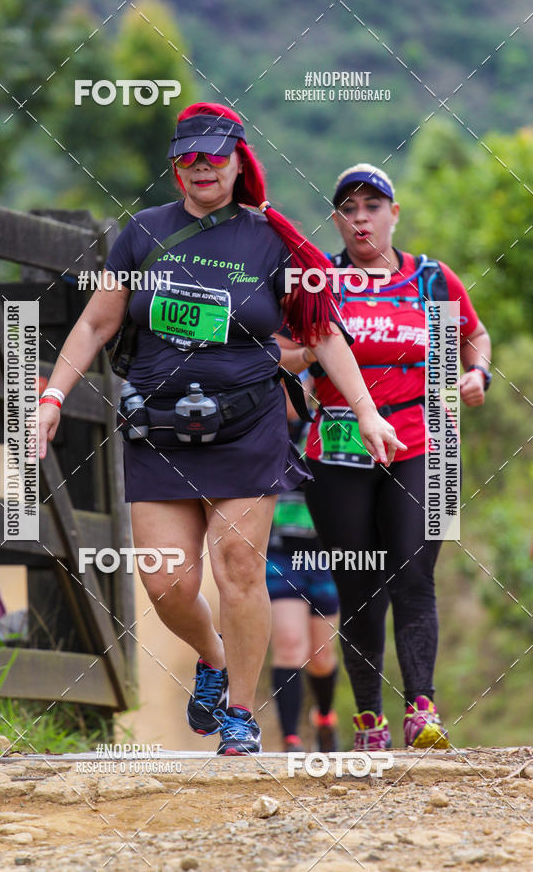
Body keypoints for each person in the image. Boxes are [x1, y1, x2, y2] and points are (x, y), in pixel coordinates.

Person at [38, 114, 402, 756]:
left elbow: (321, 334)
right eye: (189, 159)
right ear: (176, 166)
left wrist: (369, 413)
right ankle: (212, 657)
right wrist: (51, 395)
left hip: (247, 426)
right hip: (158, 428)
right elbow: (96, 326)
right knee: (166, 582)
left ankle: (239, 713)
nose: (202, 167)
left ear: (239, 163)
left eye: (214, 157)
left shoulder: (272, 241)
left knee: (238, 569)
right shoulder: (144, 233)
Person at [279, 163, 491, 750]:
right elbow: (282, 351)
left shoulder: (431, 279)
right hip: (339, 445)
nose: (360, 218)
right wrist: (308, 355)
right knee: (359, 583)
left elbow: (472, 334)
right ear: (337, 220)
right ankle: (369, 718)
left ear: (394, 214)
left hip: (427, 442)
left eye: (372, 206)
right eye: (348, 208)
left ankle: (422, 710)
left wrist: (477, 373)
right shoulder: (319, 281)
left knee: (414, 574)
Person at [267, 403, 340, 754]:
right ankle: (291, 741)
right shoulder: (263, 422)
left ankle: (325, 718)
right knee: (290, 644)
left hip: (324, 554)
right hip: (279, 552)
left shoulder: (333, 425)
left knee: (322, 655)